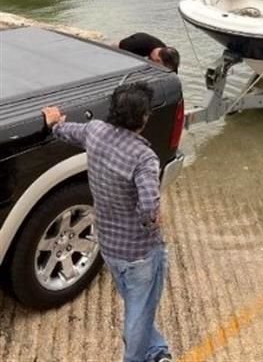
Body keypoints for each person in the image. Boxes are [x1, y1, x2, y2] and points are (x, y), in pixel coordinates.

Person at [41, 83, 172, 362]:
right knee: (141, 309)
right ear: (144, 117)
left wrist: (55, 122)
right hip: (139, 252)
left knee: (137, 303)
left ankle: (157, 351)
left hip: (109, 244)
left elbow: (67, 131)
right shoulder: (143, 157)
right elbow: (149, 207)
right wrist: (155, 221)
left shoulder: (96, 131)